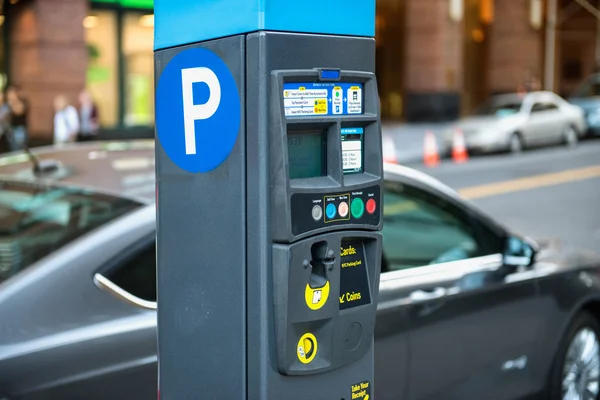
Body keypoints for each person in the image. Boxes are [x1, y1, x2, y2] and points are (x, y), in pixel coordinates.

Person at [5, 85, 28, 151]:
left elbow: (19, 111)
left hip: (19, 130)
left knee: (19, 150)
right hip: (11, 130)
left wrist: (12, 103)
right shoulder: (7, 104)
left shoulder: (22, 102)